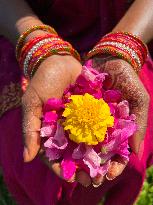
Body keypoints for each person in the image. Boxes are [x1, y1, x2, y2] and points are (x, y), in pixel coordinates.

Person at [0, 0, 153, 204]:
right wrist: (38, 47)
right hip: (24, 27)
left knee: (133, 155)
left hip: (130, 23)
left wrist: (124, 45)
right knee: (25, 153)